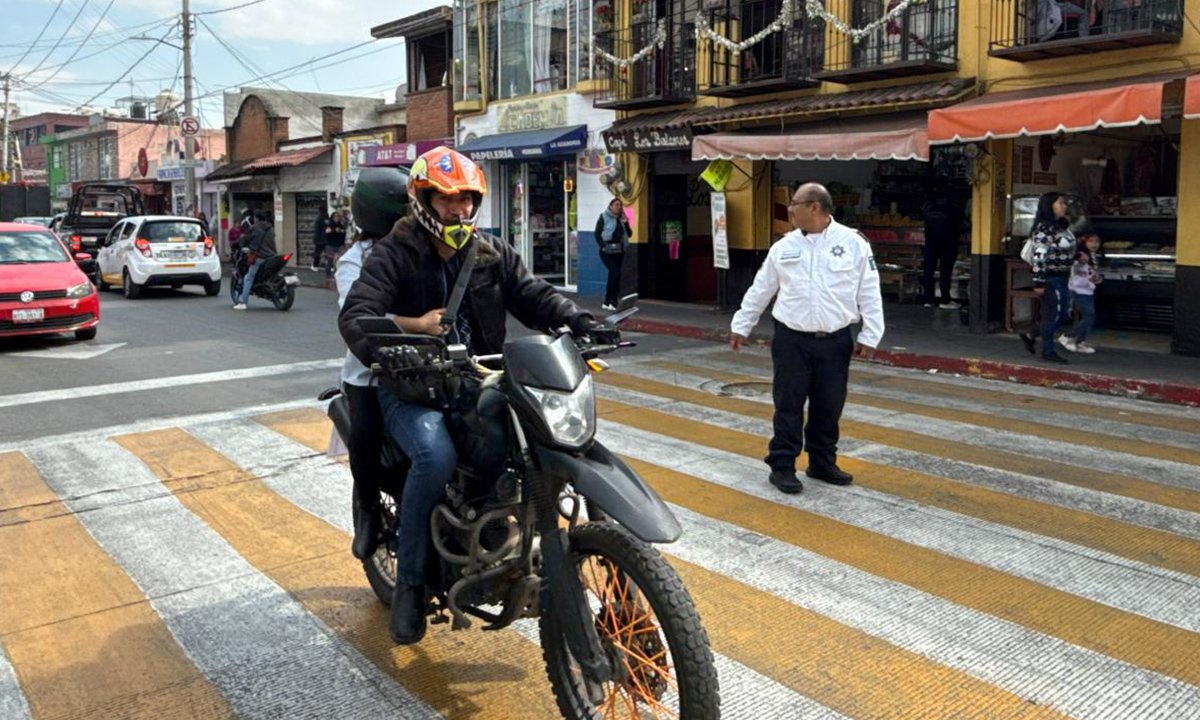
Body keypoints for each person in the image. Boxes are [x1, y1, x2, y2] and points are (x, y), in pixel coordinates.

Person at [338, 147, 596, 645]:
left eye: (467, 201)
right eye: (448, 201)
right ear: (423, 201)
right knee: (434, 456)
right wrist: (399, 345)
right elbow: (357, 315)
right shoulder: (393, 254)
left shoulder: (490, 253)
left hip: (480, 380)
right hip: (414, 388)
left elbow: (533, 293)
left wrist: (577, 319)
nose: (459, 212)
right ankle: (412, 584)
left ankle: (499, 528)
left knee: (528, 443)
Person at [729, 182, 884, 495]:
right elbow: (762, 288)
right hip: (792, 340)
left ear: (814, 206)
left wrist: (871, 333)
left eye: (794, 204)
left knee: (829, 404)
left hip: (836, 340)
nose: (789, 210)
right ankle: (783, 466)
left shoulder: (853, 243)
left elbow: (869, 289)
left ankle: (822, 462)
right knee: (788, 403)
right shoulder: (783, 247)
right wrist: (741, 324)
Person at [336, 168, 410, 561]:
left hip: (422, 366)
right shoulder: (354, 260)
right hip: (370, 369)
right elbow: (358, 315)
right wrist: (417, 322)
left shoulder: (420, 247)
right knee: (364, 436)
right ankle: (368, 511)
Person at [1018, 192, 1074, 364]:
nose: (1064, 206)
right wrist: (1039, 281)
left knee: (1063, 313)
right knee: (1054, 315)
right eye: (1060, 203)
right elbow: (1039, 257)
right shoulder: (1044, 229)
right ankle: (1048, 350)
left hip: (1064, 276)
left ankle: (1032, 333)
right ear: (1050, 206)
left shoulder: (1062, 227)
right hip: (1051, 278)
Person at [921, 182, 965, 309]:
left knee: (928, 270)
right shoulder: (954, 204)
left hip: (930, 241)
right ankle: (944, 299)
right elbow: (961, 221)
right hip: (948, 241)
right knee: (945, 271)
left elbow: (923, 216)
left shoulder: (929, 204)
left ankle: (928, 299)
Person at [1059, 232, 1102, 354]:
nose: (1094, 244)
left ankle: (1080, 341)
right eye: (1091, 241)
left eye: (1096, 241)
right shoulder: (1081, 256)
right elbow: (1076, 269)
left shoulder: (1093, 256)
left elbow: (1091, 274)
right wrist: (1079, 260)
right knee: (1089, 316)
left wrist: (1096, 279)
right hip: (1078, 289)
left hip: (1088, 289)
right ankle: (1069, 336)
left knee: (1090, 316)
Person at [594, 197, 632, 311]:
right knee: (615, 272)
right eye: (616, 205)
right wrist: (603, 246)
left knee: (614, 274)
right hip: (607, 251)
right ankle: (614, 301)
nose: (618, 207)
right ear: (610, 206)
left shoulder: (622, 219)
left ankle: (607, 301)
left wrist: (626, 223)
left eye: (620, 205)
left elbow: (629, 234)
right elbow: (597, 233)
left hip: (619, 250)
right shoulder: (604, 217)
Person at [233, 211, 276, 310]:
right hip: (272, 257)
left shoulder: (255, 227)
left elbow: (245, 238)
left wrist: (236, 243)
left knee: (248, 278)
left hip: (260, 257)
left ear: (256, 218)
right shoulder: (270, 228)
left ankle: (243, 302)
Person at [311, 207, 329, 272]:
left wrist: (315, 239)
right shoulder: (327, 218)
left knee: (317, 253)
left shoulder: (318, 219)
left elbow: (317, 230)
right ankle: (330, 266)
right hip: (327, 239)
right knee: (328, 253)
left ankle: (315, 266)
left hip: (319, 240)